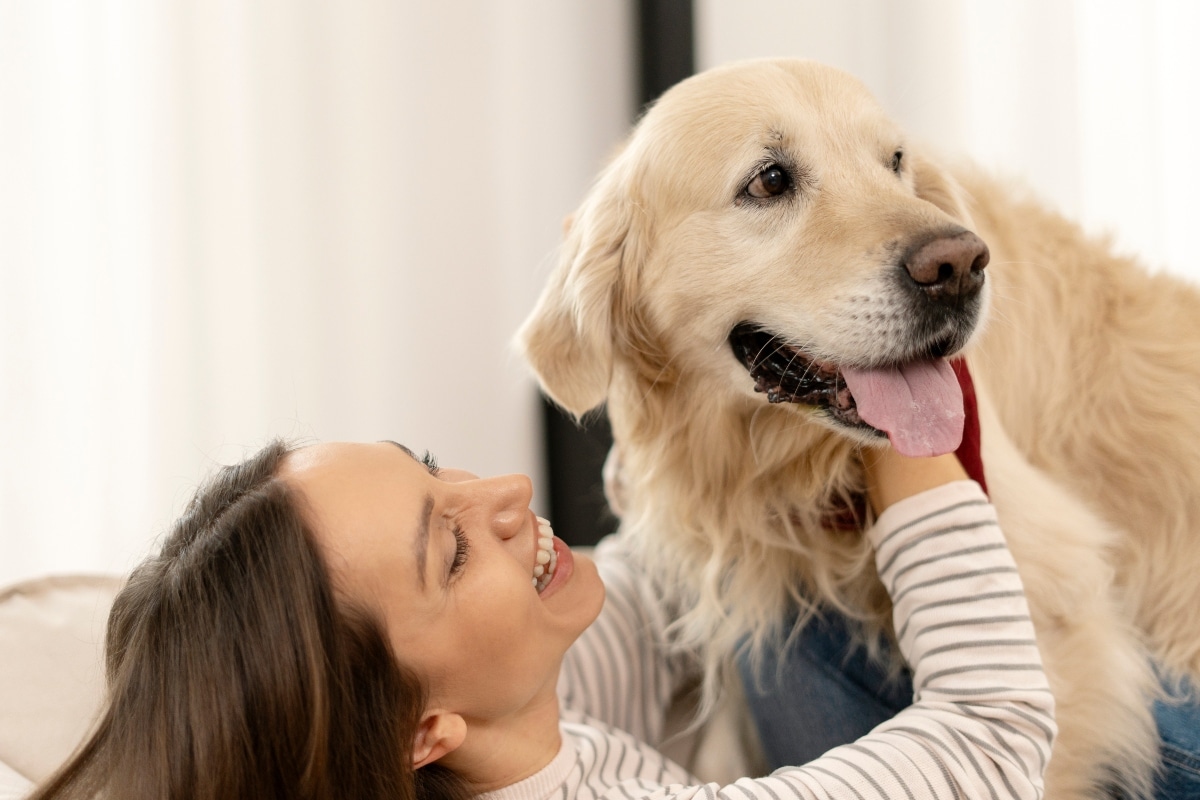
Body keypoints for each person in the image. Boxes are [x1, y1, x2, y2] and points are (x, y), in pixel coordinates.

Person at [26, 437, 1054, 800]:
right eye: (454, 546)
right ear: (421, 732)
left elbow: (653, 590)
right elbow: (996, 728)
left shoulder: (503, 737)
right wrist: (897, 407)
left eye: (432, 464)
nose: (509, 489)